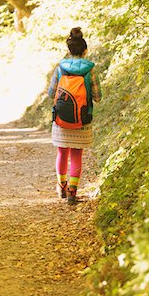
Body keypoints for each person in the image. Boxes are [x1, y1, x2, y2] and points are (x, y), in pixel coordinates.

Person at [48, 27, 102, 205]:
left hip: (61, 119)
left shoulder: (60, 68)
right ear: (85, 50)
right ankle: (72, 191)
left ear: (69, 50)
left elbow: (51, 93)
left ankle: (61, 187)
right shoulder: (90, 70)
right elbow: (98, 97)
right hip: (82, 119)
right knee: (77, 154)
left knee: (62, 152)